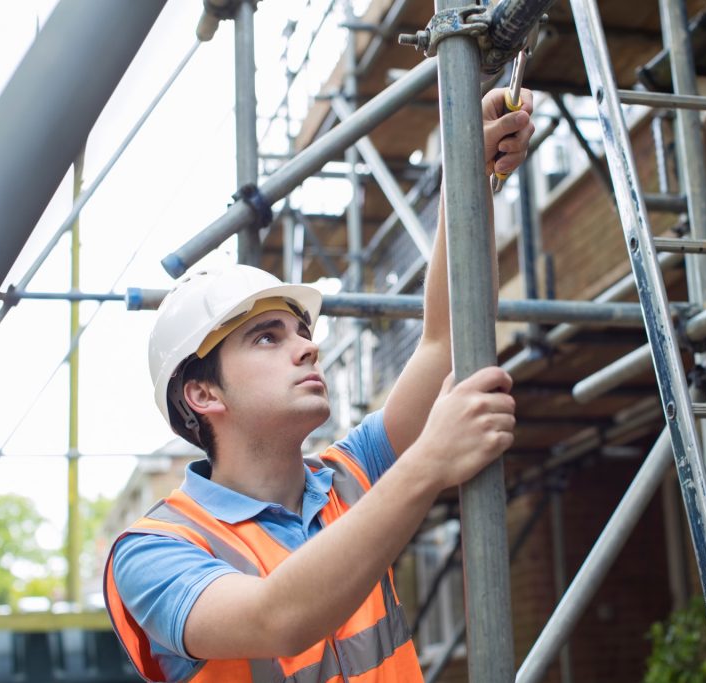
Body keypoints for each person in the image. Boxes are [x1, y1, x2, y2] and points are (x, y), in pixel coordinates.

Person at [104, 87, 535, 682]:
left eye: (300, 330)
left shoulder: (348, 476)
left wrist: (470, 176)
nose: (308, 345)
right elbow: (274, 618)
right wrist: (427, 462)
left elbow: (447, 342)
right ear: (203, 395)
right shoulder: (154, 549)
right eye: (266, 338)